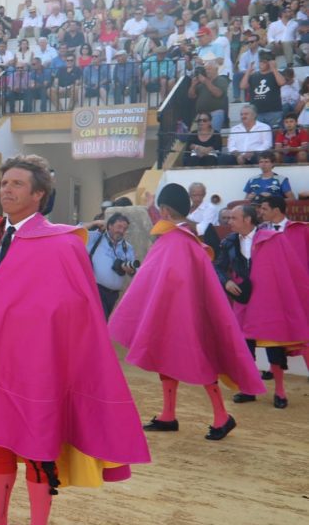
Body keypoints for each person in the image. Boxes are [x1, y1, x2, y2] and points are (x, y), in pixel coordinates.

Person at [0, 155, 150, 525]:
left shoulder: (62, 240)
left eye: (17, 184)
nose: (6, 189)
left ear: (39, 195)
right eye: (4, 183)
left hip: (37, 362)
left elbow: (74, 307)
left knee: (36, 447)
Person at [109, 184, 264, 440]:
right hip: (177, 312)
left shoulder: (176, 241)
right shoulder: (184, 238)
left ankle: (222, 417)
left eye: (160, 210)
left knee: (199, 363)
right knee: (166, 359)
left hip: (181, 315)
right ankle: (168, 415)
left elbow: (165, 279)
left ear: (167, 211)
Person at [223, 195, 309, 409]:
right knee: (245, 347)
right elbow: (218, 266)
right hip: (243, 301)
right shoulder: (229, 242)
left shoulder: (273, 238)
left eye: (233, 218)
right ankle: (248, 388)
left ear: (247, 220)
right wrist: (225, 282)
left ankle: (280, 391)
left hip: (269, 301)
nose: (229, 222)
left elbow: (287, 271)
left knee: (274, 346)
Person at [84, 213, 137, 319]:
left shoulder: (128, 248)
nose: (121, 231)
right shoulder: (96, 238)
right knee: (101, 323)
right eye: (119, 227)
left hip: (114, 296)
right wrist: (95, 223)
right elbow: (75, 230)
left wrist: (131, 271)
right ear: (109, 226)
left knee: (107, 325)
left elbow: (134, 272)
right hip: (96, 291)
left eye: (124, 228)